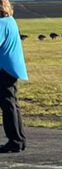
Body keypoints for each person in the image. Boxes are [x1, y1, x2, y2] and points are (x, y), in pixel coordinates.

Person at [0, 0, 26, 153]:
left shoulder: (1, 23)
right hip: (11, 67)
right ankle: (18, 139)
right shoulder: (10, 21)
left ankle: (15, 141)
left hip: (3, 68)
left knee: (8, 104)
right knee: (12, 104)